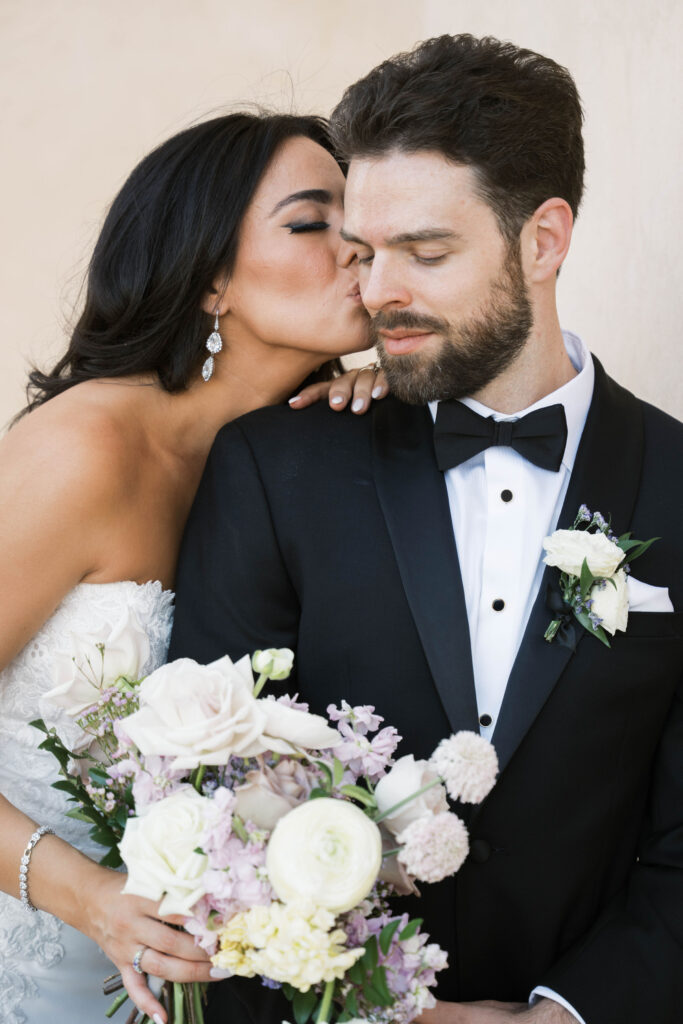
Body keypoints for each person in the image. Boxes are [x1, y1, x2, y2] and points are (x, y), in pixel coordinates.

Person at [169, 34, 683, 1024]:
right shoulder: (275, 467)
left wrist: (560, 1016)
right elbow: (210, 804)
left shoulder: (676, 482)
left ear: (541, 240)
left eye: (425, 252)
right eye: (363, 252)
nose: (375, 292)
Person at [0, 110, 386, 1024]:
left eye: (358, 219)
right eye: (309, 222)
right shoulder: (88, 448)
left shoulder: (318, 451)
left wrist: (391, 395)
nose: (357, 247)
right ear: (210, 277)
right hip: (36, 947)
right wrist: (86, 896)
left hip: (191, 979)